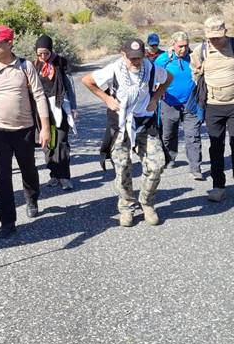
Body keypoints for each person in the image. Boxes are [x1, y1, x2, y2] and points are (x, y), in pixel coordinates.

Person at [82, 39, 172, 227]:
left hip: (144, 123)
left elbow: (168, 78)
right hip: (120, 125)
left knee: (157, 164)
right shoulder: (113, 69)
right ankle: (127, 207)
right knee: (122, 167)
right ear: (123, 55)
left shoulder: (151, 68)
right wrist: (107, 99)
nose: (136, 62)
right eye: (132, 58)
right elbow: (87, 80)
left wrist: (156, 97)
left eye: (139, 58)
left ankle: (147, 202)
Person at [0, 25, 50, 239]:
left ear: (9, 44)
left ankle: (32, 197)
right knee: (2, 176)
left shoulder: (26, 66)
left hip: (24, 129)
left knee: (28, 169)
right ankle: (7, 222)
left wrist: (44, 128)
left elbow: (39, 96)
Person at [190, 17, 234, 202]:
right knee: (215, 147)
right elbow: (195, 73)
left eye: (218, 37)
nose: (215, 41)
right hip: (213, 107)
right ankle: (218, 186)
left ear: (225, 32)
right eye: (211, 38)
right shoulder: (200, 51)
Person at [155, 31, 204, 180]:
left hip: (191, 103)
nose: (183, 49)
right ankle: (169, 158)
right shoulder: (163, 60)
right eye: (180, 46)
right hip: (169, 103)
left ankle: (195, 167)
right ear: (173, 45)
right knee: (168, 134)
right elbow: (153, 78)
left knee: (193, 135)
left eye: (186, 46)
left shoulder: (193, 58)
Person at [33, 34, 78, 190]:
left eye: (46, 53)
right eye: (39, 54)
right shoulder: (33, 66)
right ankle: (53, 175)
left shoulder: (61, 62)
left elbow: (69, 86)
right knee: (48, 143)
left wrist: (74, 107)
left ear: (51, 50)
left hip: (60, 106)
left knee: (61, 142)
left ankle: (64, 176)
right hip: (42, 110)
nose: (43, 56)